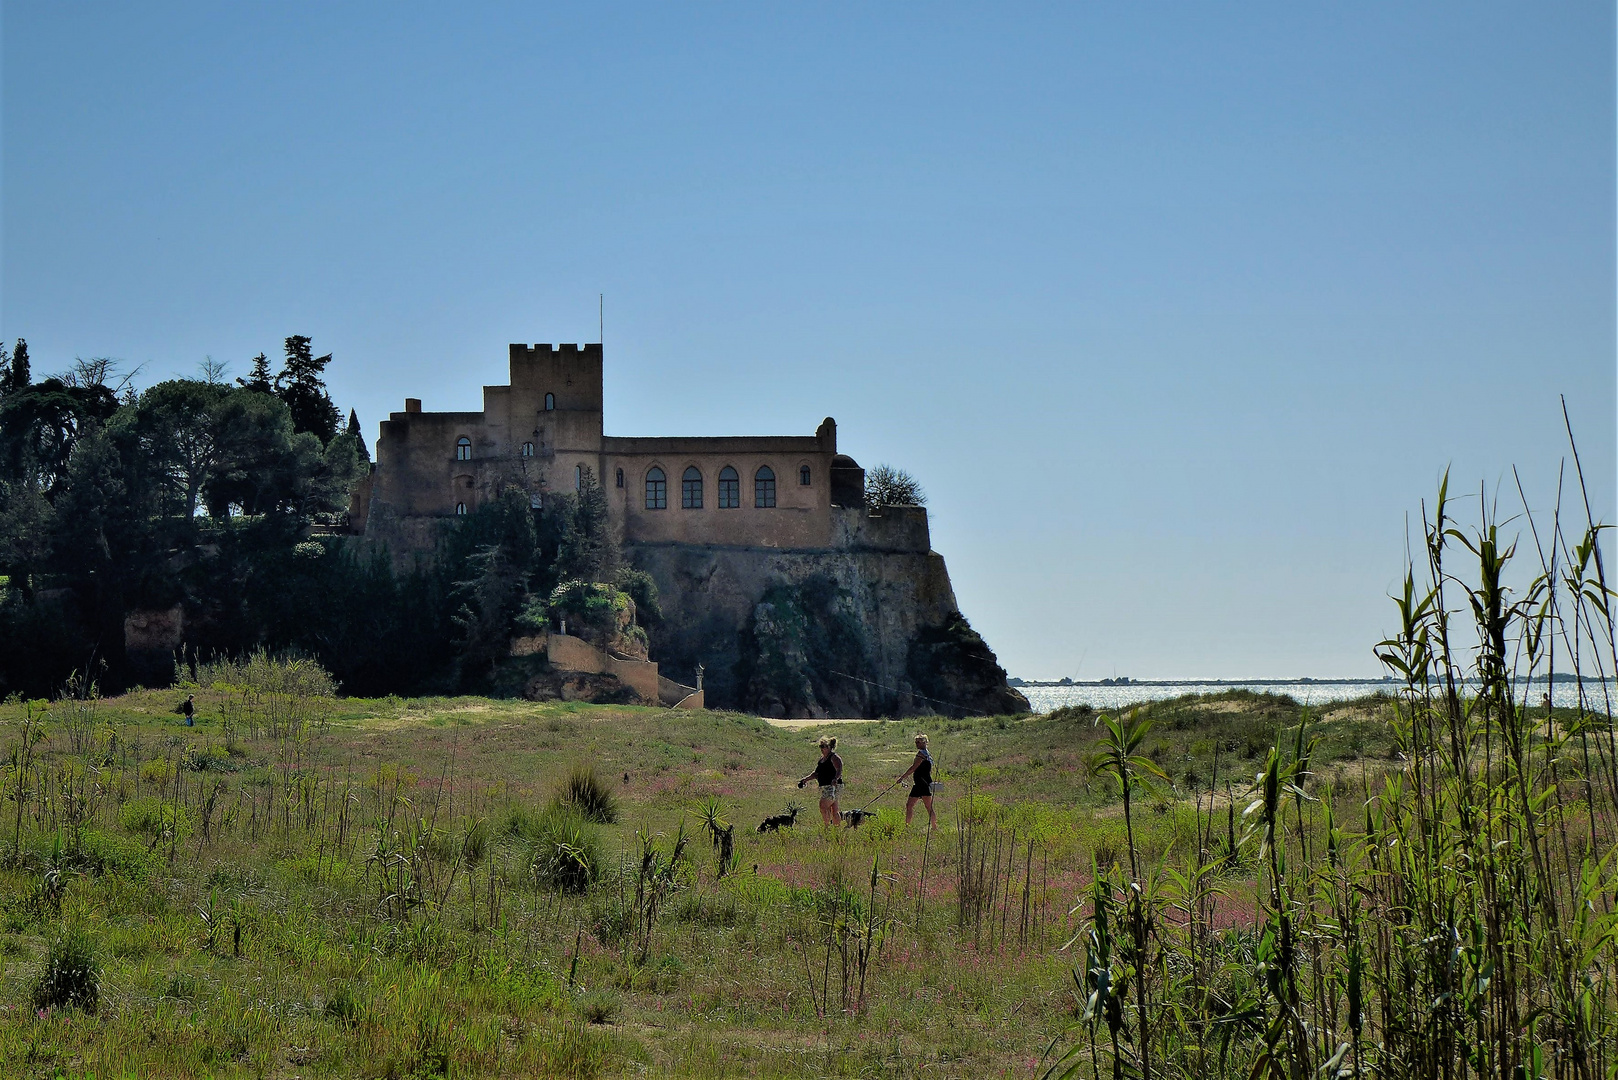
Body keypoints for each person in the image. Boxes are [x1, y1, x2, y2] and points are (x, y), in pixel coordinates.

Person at [798, 735, 843, 827]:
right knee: (834, 809)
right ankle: (836, 830)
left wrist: (835, 779)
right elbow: (816, 774)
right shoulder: (822, 759)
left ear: (829, 747)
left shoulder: (833, 757)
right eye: (820, 747)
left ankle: (827, 827)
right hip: (826, 786)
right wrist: (805, 780)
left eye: (823, 747)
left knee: (823, 806)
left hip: (832, 785)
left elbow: (839, 769)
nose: (821, 749)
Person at [897, 733, 936, 827]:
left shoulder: (921, 755)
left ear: (924, 743)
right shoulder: (927, 754)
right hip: (925, 783)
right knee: (928, 807)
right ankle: (934, 827)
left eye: (918, 742)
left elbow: (913, 768)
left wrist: (902, 778)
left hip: (921, 784)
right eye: (916, 742)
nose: (917, 744)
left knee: (910, 805)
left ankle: (907, 826)